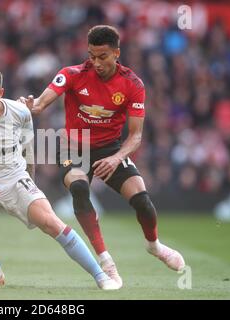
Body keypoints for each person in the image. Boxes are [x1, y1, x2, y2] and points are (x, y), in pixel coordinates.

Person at [19, 25, 185, 287]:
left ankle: (154, 246)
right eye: (91, 56)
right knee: (79, 187)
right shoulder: (72, 74)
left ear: (117, 53)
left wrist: (117, 157)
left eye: (102, 56)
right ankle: (106, 262)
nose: (95, 62)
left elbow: (136, 136)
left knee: (142, 200)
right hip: (73, 145)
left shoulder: (132, 84)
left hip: (110, 148)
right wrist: (31, 107)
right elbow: (40, 103)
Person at [0, 66, 120, 290]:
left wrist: (31, 184)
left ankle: (100, 276)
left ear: (0, 92)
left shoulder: (20, 112)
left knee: (52, 223)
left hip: (15, 180)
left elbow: (28, 150)